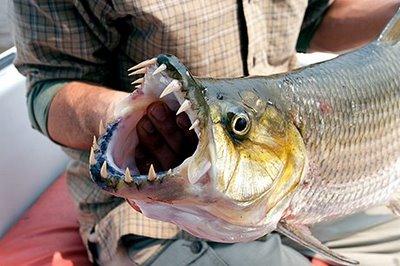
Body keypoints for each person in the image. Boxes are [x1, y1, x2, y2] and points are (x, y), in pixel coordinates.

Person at [10, 0, 400, 265]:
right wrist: (126, 117)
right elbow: (51, 82)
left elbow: (313, 21)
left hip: (300, 162)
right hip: (158, 210)